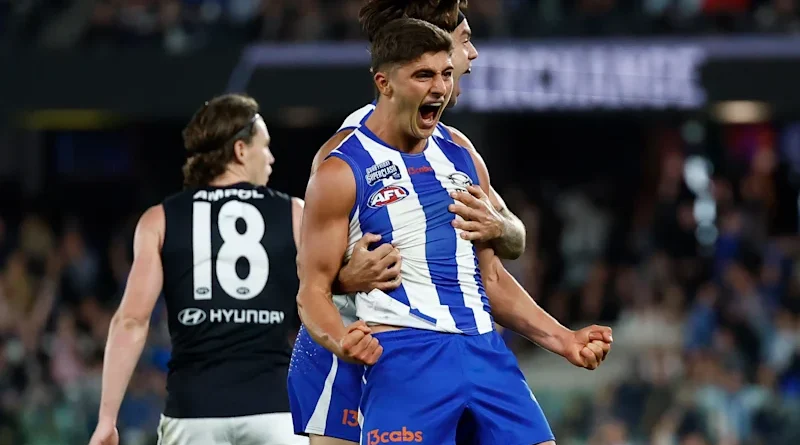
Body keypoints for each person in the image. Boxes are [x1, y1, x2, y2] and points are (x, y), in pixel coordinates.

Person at [297, 18, 612, 445]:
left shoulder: (461, 153)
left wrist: (564, 339)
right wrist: (340, 340)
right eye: (423, 75)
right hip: (407, 357)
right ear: (384, 83)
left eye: (445, 74)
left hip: (485, 350)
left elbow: (492, 277)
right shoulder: (341, 168)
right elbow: (311, 291)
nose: (440, 88)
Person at [89, 94, 308, 445]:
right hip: (275, 411)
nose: (271, 157)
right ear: (240, 150)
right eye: (264, 146)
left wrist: (106, 420)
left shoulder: (159, 219)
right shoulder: (295, 214)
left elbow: (131, 321)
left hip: (193, 413)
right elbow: (326, 295)